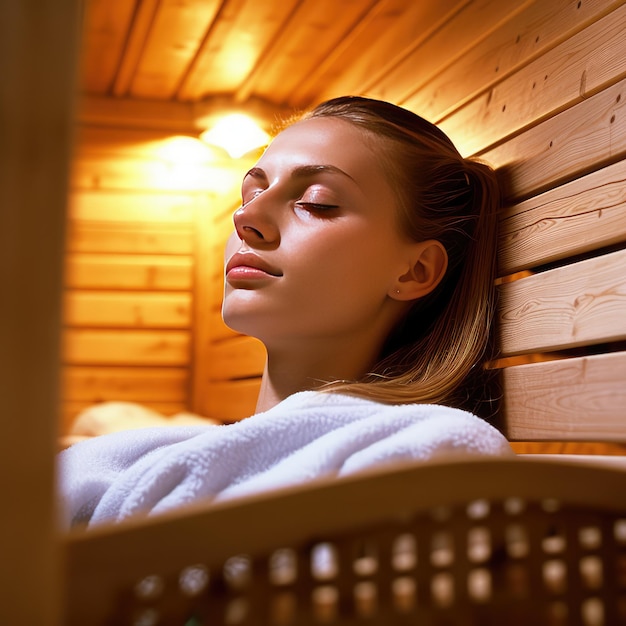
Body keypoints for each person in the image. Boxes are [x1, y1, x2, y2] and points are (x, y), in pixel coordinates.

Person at [59, 96, 511, 529]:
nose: (246, 218)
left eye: (316, 201)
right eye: (249, 194)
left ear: (415, 271)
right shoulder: (143, 461)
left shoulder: (424, 453)